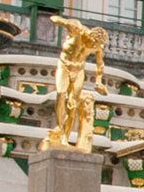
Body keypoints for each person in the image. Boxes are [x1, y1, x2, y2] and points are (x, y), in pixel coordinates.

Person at [44, 15, 108, 152]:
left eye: (96, 45)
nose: (93, 46)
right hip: (64, 66)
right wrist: (65, 23)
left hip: (79, 70)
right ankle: (59, 127)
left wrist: (99, 81)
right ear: (89, 35)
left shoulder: (97, 47)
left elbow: (100, 64)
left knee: (73, 104)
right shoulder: (78, 30)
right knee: (61, 94)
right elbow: (54, 18)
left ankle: (65, 138)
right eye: (92, 43)